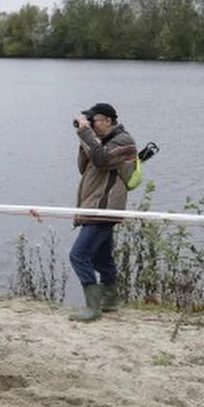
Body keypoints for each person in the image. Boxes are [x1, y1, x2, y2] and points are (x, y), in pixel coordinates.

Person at [68, 102, 137, 322]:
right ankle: (110, 301)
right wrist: (84, 138)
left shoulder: (124, 141)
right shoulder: (102, 142)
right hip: (96, 207)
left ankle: (93, 307)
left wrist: (86, 133)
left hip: (104, 209)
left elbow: (101, 160)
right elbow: (84, 167)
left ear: (108, 120)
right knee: (102, 258)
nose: (91, 125)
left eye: (94, 121)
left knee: (78, 255)